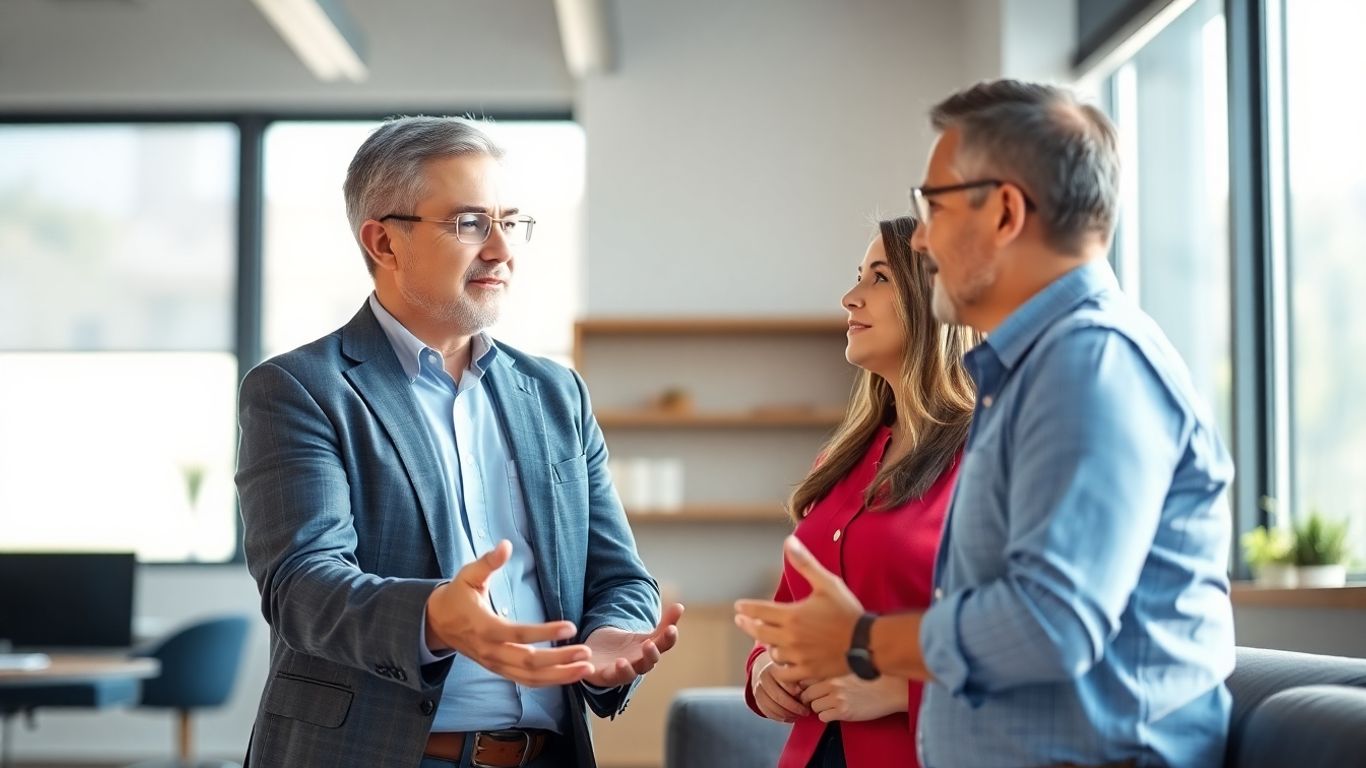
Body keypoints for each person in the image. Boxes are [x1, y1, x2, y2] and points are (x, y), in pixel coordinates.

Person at [736, 79, 1236, 768]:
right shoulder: (1032, 373)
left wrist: (864, 642)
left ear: (1004, 213)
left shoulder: (1090, 362)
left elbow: (1051, 621)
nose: (923, 237)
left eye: (934, 207)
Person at [236, 116, 683, 768]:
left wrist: (611, 634)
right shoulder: (301, 388)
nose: (502, 250)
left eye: (510, 222)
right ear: (384, 242)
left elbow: (617, 574)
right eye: (471, 223)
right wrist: (433, 617)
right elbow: (303, 587)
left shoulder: (555, 393)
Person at [743, 217, 977, 768]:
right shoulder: (841, 459)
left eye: (880, 277)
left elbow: (1029, 644)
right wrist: (764, 668)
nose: (850, 298)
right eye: (858, 276)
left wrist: (903, 690)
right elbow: (791, 610)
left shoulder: (993, 458)